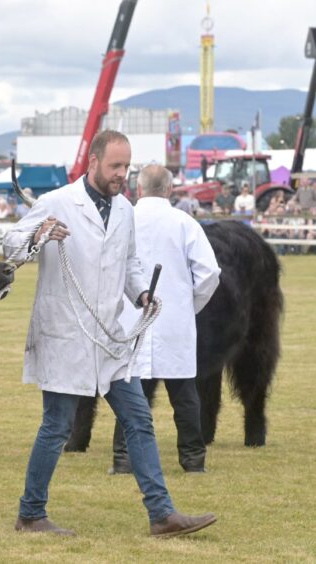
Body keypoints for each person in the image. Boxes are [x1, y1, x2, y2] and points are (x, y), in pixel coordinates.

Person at [3, 130, 216, 538]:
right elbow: (11, 246)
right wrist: (39, 234)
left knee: (139, 420)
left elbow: (130, 263)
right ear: (94, 163)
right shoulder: (57, 202)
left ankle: (162, 515)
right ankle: (30, 514)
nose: (122, 174)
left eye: (127, 167)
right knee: (57, 426)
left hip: (111, 337)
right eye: (115, 166)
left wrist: (141, 293)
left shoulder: (124, 211)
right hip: (65, 334)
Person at [111, 164, 221, 475]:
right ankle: (193, 461)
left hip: (130, 322)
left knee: (130, 396)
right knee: (185, 398)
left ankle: (123, 460)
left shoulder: (122, 220)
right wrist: (188, 305)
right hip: (174, 324)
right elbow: (210, 273)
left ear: (139, 189)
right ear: (170, 190)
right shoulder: (184, 223)